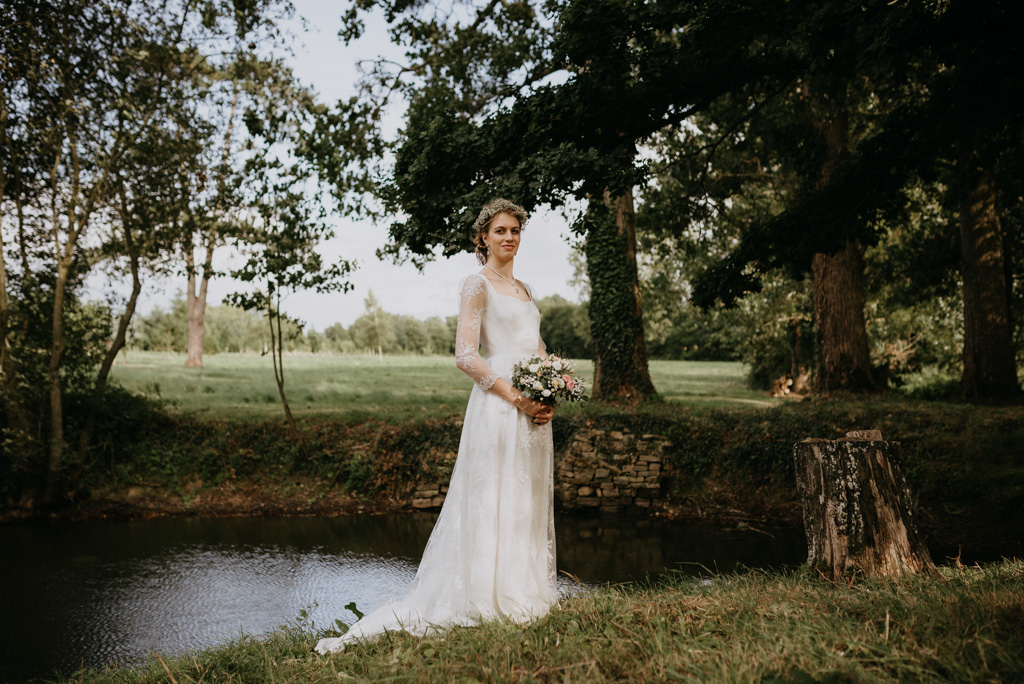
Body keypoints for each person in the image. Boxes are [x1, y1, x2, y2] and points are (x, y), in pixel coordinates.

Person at [315, 198, 558, 654]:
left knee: (524, 497)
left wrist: (550, 391)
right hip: (500, 404)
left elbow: (538, 346)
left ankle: (526, 591)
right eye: (501, 230)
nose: (510, 237)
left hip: (533, 409)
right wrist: (516, 396)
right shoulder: (476, 283)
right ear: (484, 237)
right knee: (492, 495)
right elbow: (465, 354)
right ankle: (485, 595)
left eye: (516, 230)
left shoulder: (525, 289)